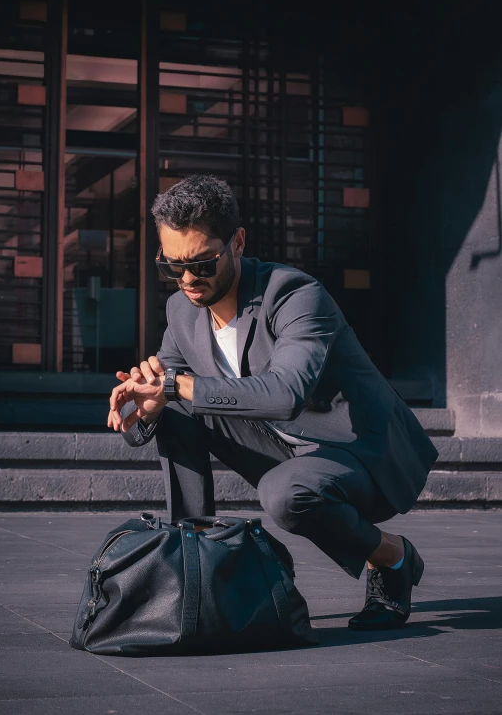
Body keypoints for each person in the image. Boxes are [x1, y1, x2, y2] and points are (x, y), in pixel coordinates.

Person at [108, 175, 438, 631]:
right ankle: (194, 555)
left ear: (238, 242)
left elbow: (285, 393)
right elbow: (169, 388)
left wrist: (172, 385)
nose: (187, 279)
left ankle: (392, 556)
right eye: (172, 266)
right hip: (281, 450)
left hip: (358, 453)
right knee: (178, 402)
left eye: (202, 264)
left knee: (284, 493)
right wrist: (145, 407)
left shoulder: (295, 294)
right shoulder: (181, 312)